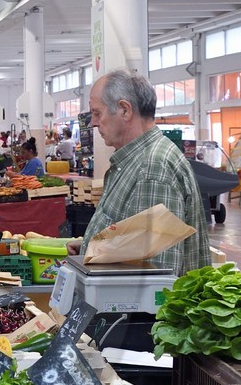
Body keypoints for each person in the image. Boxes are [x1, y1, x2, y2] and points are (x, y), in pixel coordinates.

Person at [81, 69, 211, 274]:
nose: (94, 122)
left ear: (124, 110)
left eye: (97, 113)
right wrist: (88, 249)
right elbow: (132, 244)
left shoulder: (151, 170)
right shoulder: (134, 162)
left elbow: (156, 276)